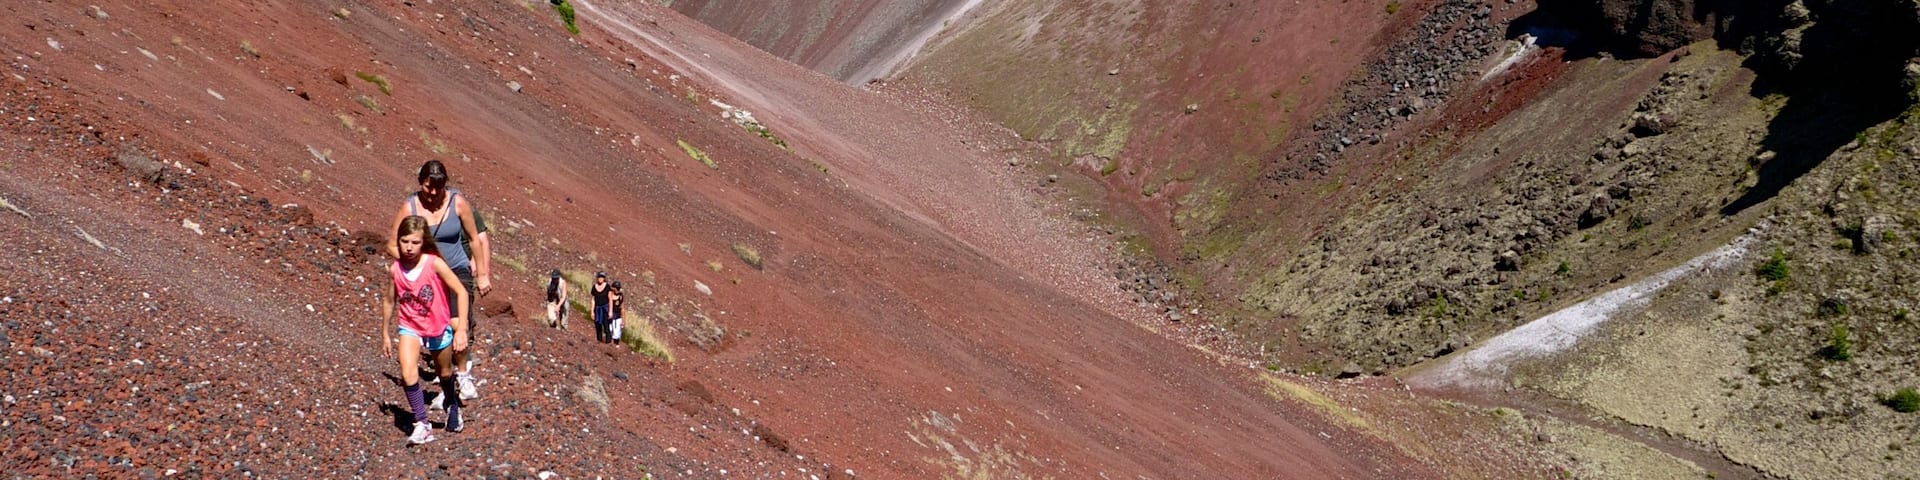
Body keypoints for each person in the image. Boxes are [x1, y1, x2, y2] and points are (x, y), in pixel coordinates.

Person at [386, 160, 488, 401]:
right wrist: (415, 258)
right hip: (427, 276)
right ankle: (447, 379)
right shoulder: (410, 207)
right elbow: (391, 244)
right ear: (420, 182)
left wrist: (482, 273)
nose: (432, 193)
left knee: (457, 323)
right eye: (427, 187)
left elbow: (474, 239)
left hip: (457, 268)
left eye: (438, 188)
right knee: (437, 329)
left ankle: (463, 373)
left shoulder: (458, 203)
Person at [381, 215, 470, 444]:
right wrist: (385, 333)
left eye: (415, 242)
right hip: (409, 326)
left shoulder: (434, 264)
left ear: (424, 243)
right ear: (398, 241)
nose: (409, 247)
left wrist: (461, 329)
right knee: (407, 372)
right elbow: (390, 301)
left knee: (445, 373)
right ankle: (422, 423)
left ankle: (452, 403)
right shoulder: (395, 269)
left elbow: (460, 291)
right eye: (404, 241)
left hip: (438, 326)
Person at [591, 272, 611, 343]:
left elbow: (610, 299)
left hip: (605, 309)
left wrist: (610, 311)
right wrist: (592, 311)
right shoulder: (594, 287)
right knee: (598, 326)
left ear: (604, 278)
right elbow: (593, 300)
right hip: (597, 309)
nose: (600, 279)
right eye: (599, 277)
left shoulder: (607, 287)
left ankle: (608, 342)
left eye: (602, 277)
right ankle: (599, 341)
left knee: (606, 326)